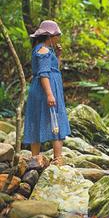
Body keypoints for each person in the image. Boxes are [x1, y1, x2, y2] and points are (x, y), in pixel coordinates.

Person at [24, 20, 71, 166]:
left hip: (44, 89)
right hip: (46, 89)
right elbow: (44, 74)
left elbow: (53, 68)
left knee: (37, 119)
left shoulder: (43, 49)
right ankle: (57, 159)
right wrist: (50, 94)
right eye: (57, 34)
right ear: (49, 36)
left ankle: (35, 158)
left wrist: (58, 55)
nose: (58, 37)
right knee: (55, 120)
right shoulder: (43, 51)